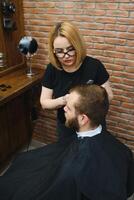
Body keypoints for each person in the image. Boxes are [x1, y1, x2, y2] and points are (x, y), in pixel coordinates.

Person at [0, 84, 133, 200]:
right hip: (57, 165)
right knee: (24, 161)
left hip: (49, 183)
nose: (64, 108)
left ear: (83, 119)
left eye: (68, 108)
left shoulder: (76, 169)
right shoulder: (123, 150)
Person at [40, 21, 113, 140]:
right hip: (66, 126)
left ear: (77, 45)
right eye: (59, 51)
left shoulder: (94, 66)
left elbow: (109, 96)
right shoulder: (52, 69)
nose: (66, 55)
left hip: (92, 127)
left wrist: (85, 101)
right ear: (53, 51)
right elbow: (44, 103)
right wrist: (65, 100)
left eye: (70, 49)